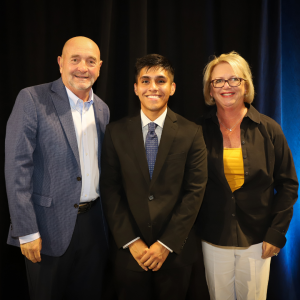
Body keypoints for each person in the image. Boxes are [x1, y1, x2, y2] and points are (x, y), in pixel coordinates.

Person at [5, 36, 110, 300]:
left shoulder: (102, 109)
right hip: (45, 229)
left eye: (90, 61)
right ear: (61, 63)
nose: (82, 68)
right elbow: (17, 168)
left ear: (99, 66)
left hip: (94, 229)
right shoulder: (32, 98)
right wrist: (26, 231)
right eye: (75, 60)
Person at [100, 54, 207, 300]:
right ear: (136, 88)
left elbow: (195, 192)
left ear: (172, 87)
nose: (153, 88)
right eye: (145, 81)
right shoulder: (115, 132)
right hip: (129, 255)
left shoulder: (192, 133)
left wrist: (165, 244)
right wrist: (131, 241)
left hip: (175, 254)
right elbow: (110, 189)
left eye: (160, 81)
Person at [197, 51, 298, 300]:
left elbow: (288, 185)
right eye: (218, 81)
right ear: (210, 90)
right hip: (213, 239)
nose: (226, 86)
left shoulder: (269, 129)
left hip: (258, 241)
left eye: (234, 79)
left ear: (246, 85)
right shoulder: (196, 132)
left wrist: (277, 232)